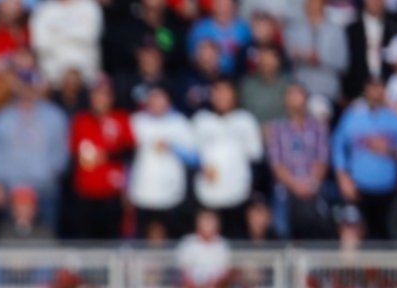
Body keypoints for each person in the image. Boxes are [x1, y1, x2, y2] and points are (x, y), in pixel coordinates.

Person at [0, 68, 70, 229]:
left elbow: (61, 156)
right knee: (10, 242)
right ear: (16, 87)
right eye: (24, 85)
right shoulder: (2, 118)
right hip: (10, 191)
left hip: (44, 191)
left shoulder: (55, 117)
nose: (27, 90)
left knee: (45, 239)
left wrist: (46, 175)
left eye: (31, 85)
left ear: (38, 87)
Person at [332, 75, 397, 241]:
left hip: (389, 194)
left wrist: (390, 150)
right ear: (365, 89)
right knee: (352, 236)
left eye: (379, 87)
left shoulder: (395, 119)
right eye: (371, 87)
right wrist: (342, 176)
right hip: (358, 191)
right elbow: (338, 145)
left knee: (390, 239)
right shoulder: (353, 114)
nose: (375, 91)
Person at [193, 80, 265, 237]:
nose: (222, 97)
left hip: (238, 196)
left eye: (226, 92)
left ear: (234, 95)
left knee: (236, 246)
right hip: (207, 196)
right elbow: (191, 154)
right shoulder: (201, 120)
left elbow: (256, 158)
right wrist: (200, 167)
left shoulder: (245, 120)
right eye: (218, 92)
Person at [266, 82, 335, 240]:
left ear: (306, 99)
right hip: (286, 188)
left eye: (299, 94)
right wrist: (296, 185)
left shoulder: (319, 128)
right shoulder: (277, 129)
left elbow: (322, 160)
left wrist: (310, 184)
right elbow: (277, 164)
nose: (295, 99)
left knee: (323, 224)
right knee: (280, 226)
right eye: (291, 95)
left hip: (314, 186)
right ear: (285, 100)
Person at [69, 75, 134, 240]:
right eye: (96, 94)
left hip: (111, 192)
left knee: (111, 239)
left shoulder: (121, 118)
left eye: (104, 94)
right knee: (86, 239)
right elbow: (74, 152)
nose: (99, 99)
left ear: (111, 97)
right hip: (86, 192)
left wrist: (107, 156)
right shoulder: (81, 120)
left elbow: (130, 150)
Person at [129, 86, 198, 240]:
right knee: (143, 239)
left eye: (160, 98)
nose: (156, 102)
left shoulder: (180, 123)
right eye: (153, 98)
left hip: (171, 195)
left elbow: (194, 158)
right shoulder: (137, 121)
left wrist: (173, 147)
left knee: (170, 240)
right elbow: (127, 156)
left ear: (168, 100)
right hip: (142, 194)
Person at [31, 0, 103, 87]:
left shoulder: (89, 5)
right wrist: (73, 35)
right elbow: (40, 43)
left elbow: (89, 36)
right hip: (53, 71)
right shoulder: (44, 8)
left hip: (84, 70)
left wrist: (57, 34)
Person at [286, 0, 351, 102]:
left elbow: (343, 63)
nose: (313, 4)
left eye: (317, 0)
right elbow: (287, 54)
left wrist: (320, 59)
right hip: (301, 90)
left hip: (327, 91)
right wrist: (299, 55)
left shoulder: (336, 30)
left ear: (324, 2)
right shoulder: (294, 27)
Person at [177, 209, 232, 284]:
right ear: (197, 221)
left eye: (210, 219)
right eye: (204, 219)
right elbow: (182, 271)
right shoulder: (187, 243)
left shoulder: (224, 245)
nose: (207, 223)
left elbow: (226, 273)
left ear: (217, 222)